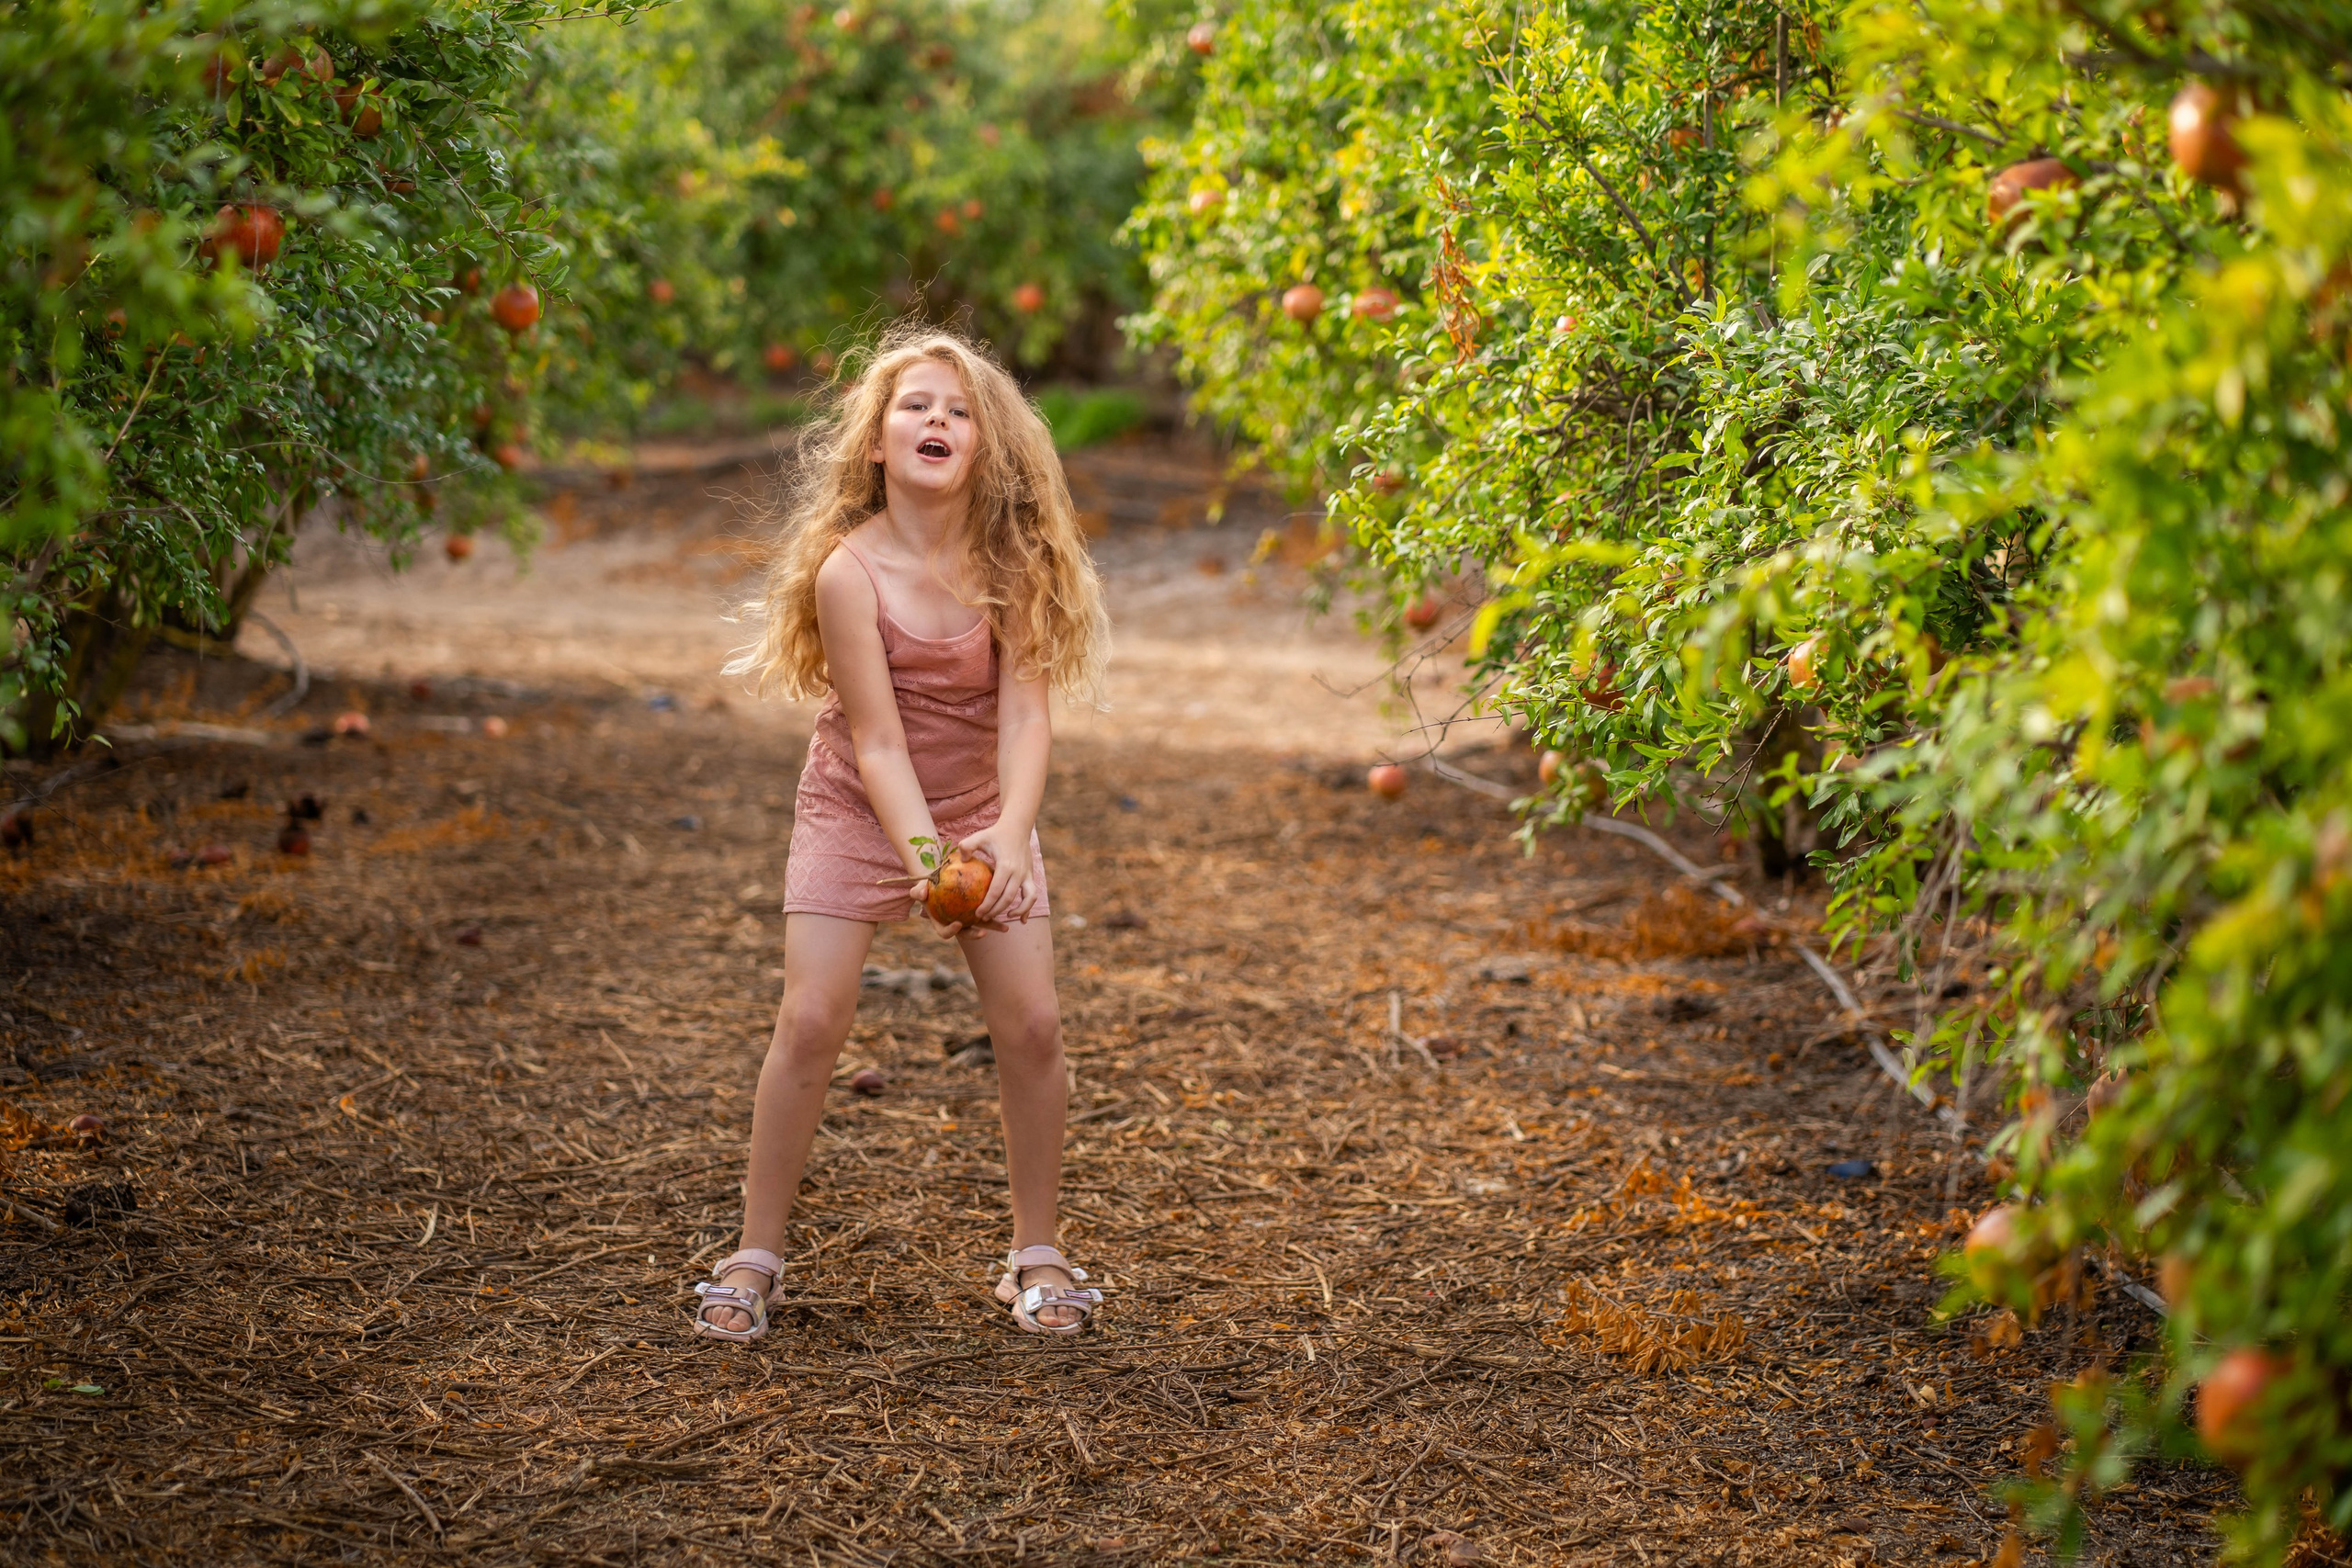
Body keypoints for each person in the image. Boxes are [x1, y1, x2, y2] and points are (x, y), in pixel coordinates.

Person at [694, 325, 1110, 1343]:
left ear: (987, 447)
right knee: (811, 1021)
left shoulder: (1014, 562)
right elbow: (877, 744)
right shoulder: (850, 572)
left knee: (1035, 1030)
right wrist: (929, 865)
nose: (937, 420)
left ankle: (1038, 1252)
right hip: (857, 809)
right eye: (914, 406)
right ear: (876, 444)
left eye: (959, 410)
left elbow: (1025, 716)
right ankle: (754, 1254)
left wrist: (1007, 839)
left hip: (981, 810)